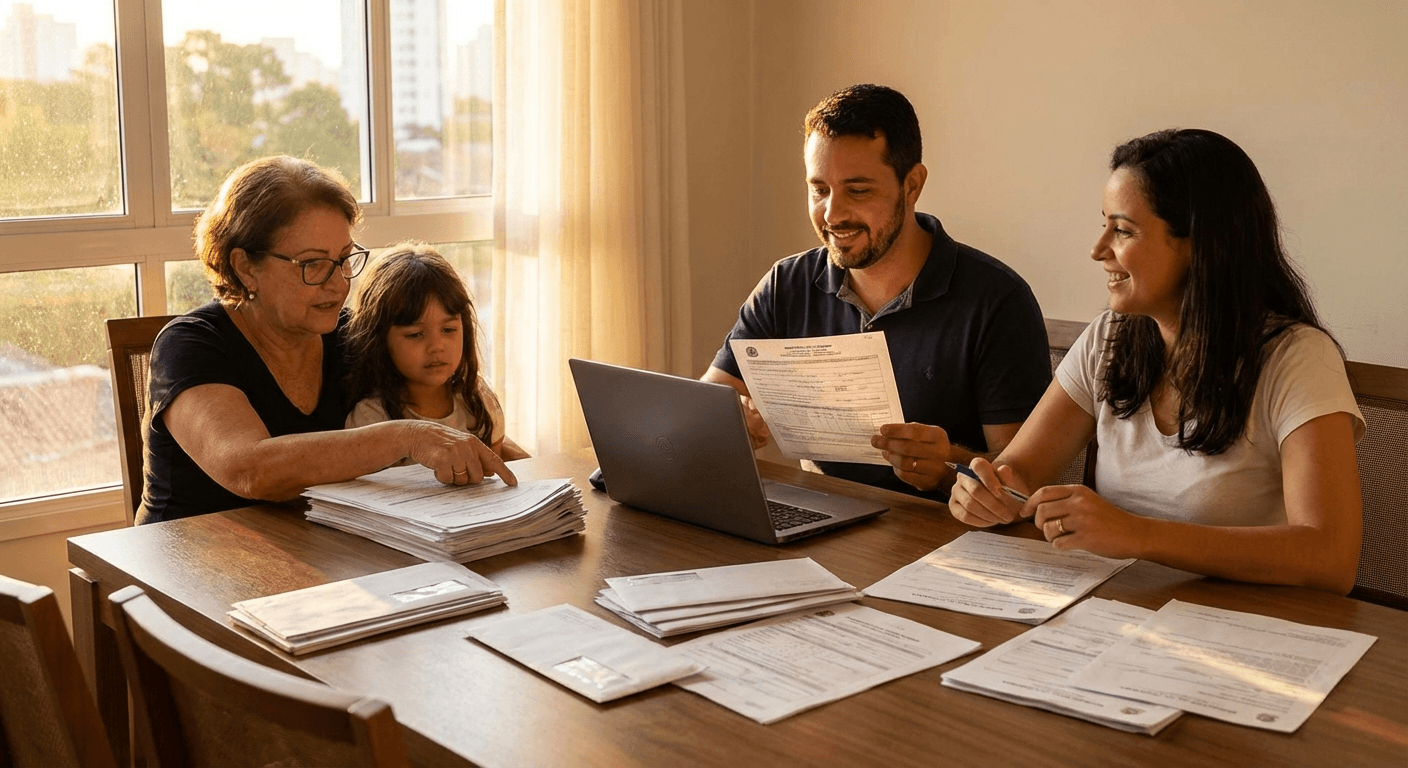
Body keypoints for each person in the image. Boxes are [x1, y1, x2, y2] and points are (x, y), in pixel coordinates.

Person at [949, 129, 1364, 594]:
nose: (1098, 249)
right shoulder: (1109, 336)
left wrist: (1137, 534)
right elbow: (1019, 472)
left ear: (1198, 243)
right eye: (1103, 224)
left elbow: (1330, 558)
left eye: (1123, 230)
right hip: (1116, 611)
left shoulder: (1298, 358)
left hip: (1242, 629)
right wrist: (986, 493)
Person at [703, 84, 1051, 499]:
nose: (832, 213)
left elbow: (1024, 478)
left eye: (858, 190)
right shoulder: (786, 285)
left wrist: (946, 468)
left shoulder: (997, 301)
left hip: (941, 540)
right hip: (820, 518)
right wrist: (730, 421)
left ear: (913, 185)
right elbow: (704, 407)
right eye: (819, 189)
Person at [139, 156, 514, 525]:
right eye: (312, 264)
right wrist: (408, 437)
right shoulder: (190, 346)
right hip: (187, 565)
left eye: (345, 259)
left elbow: (440, 417)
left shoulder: (353, 335)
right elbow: (249, 469)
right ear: (245, 267)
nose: (339, 284)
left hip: (316, 553)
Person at [343, 243, 528, 461]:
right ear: (380, 339)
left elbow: (495, 479)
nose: (436, 346)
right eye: (415, 334)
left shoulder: (479, 399)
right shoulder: (371, 418)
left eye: (448, 330)